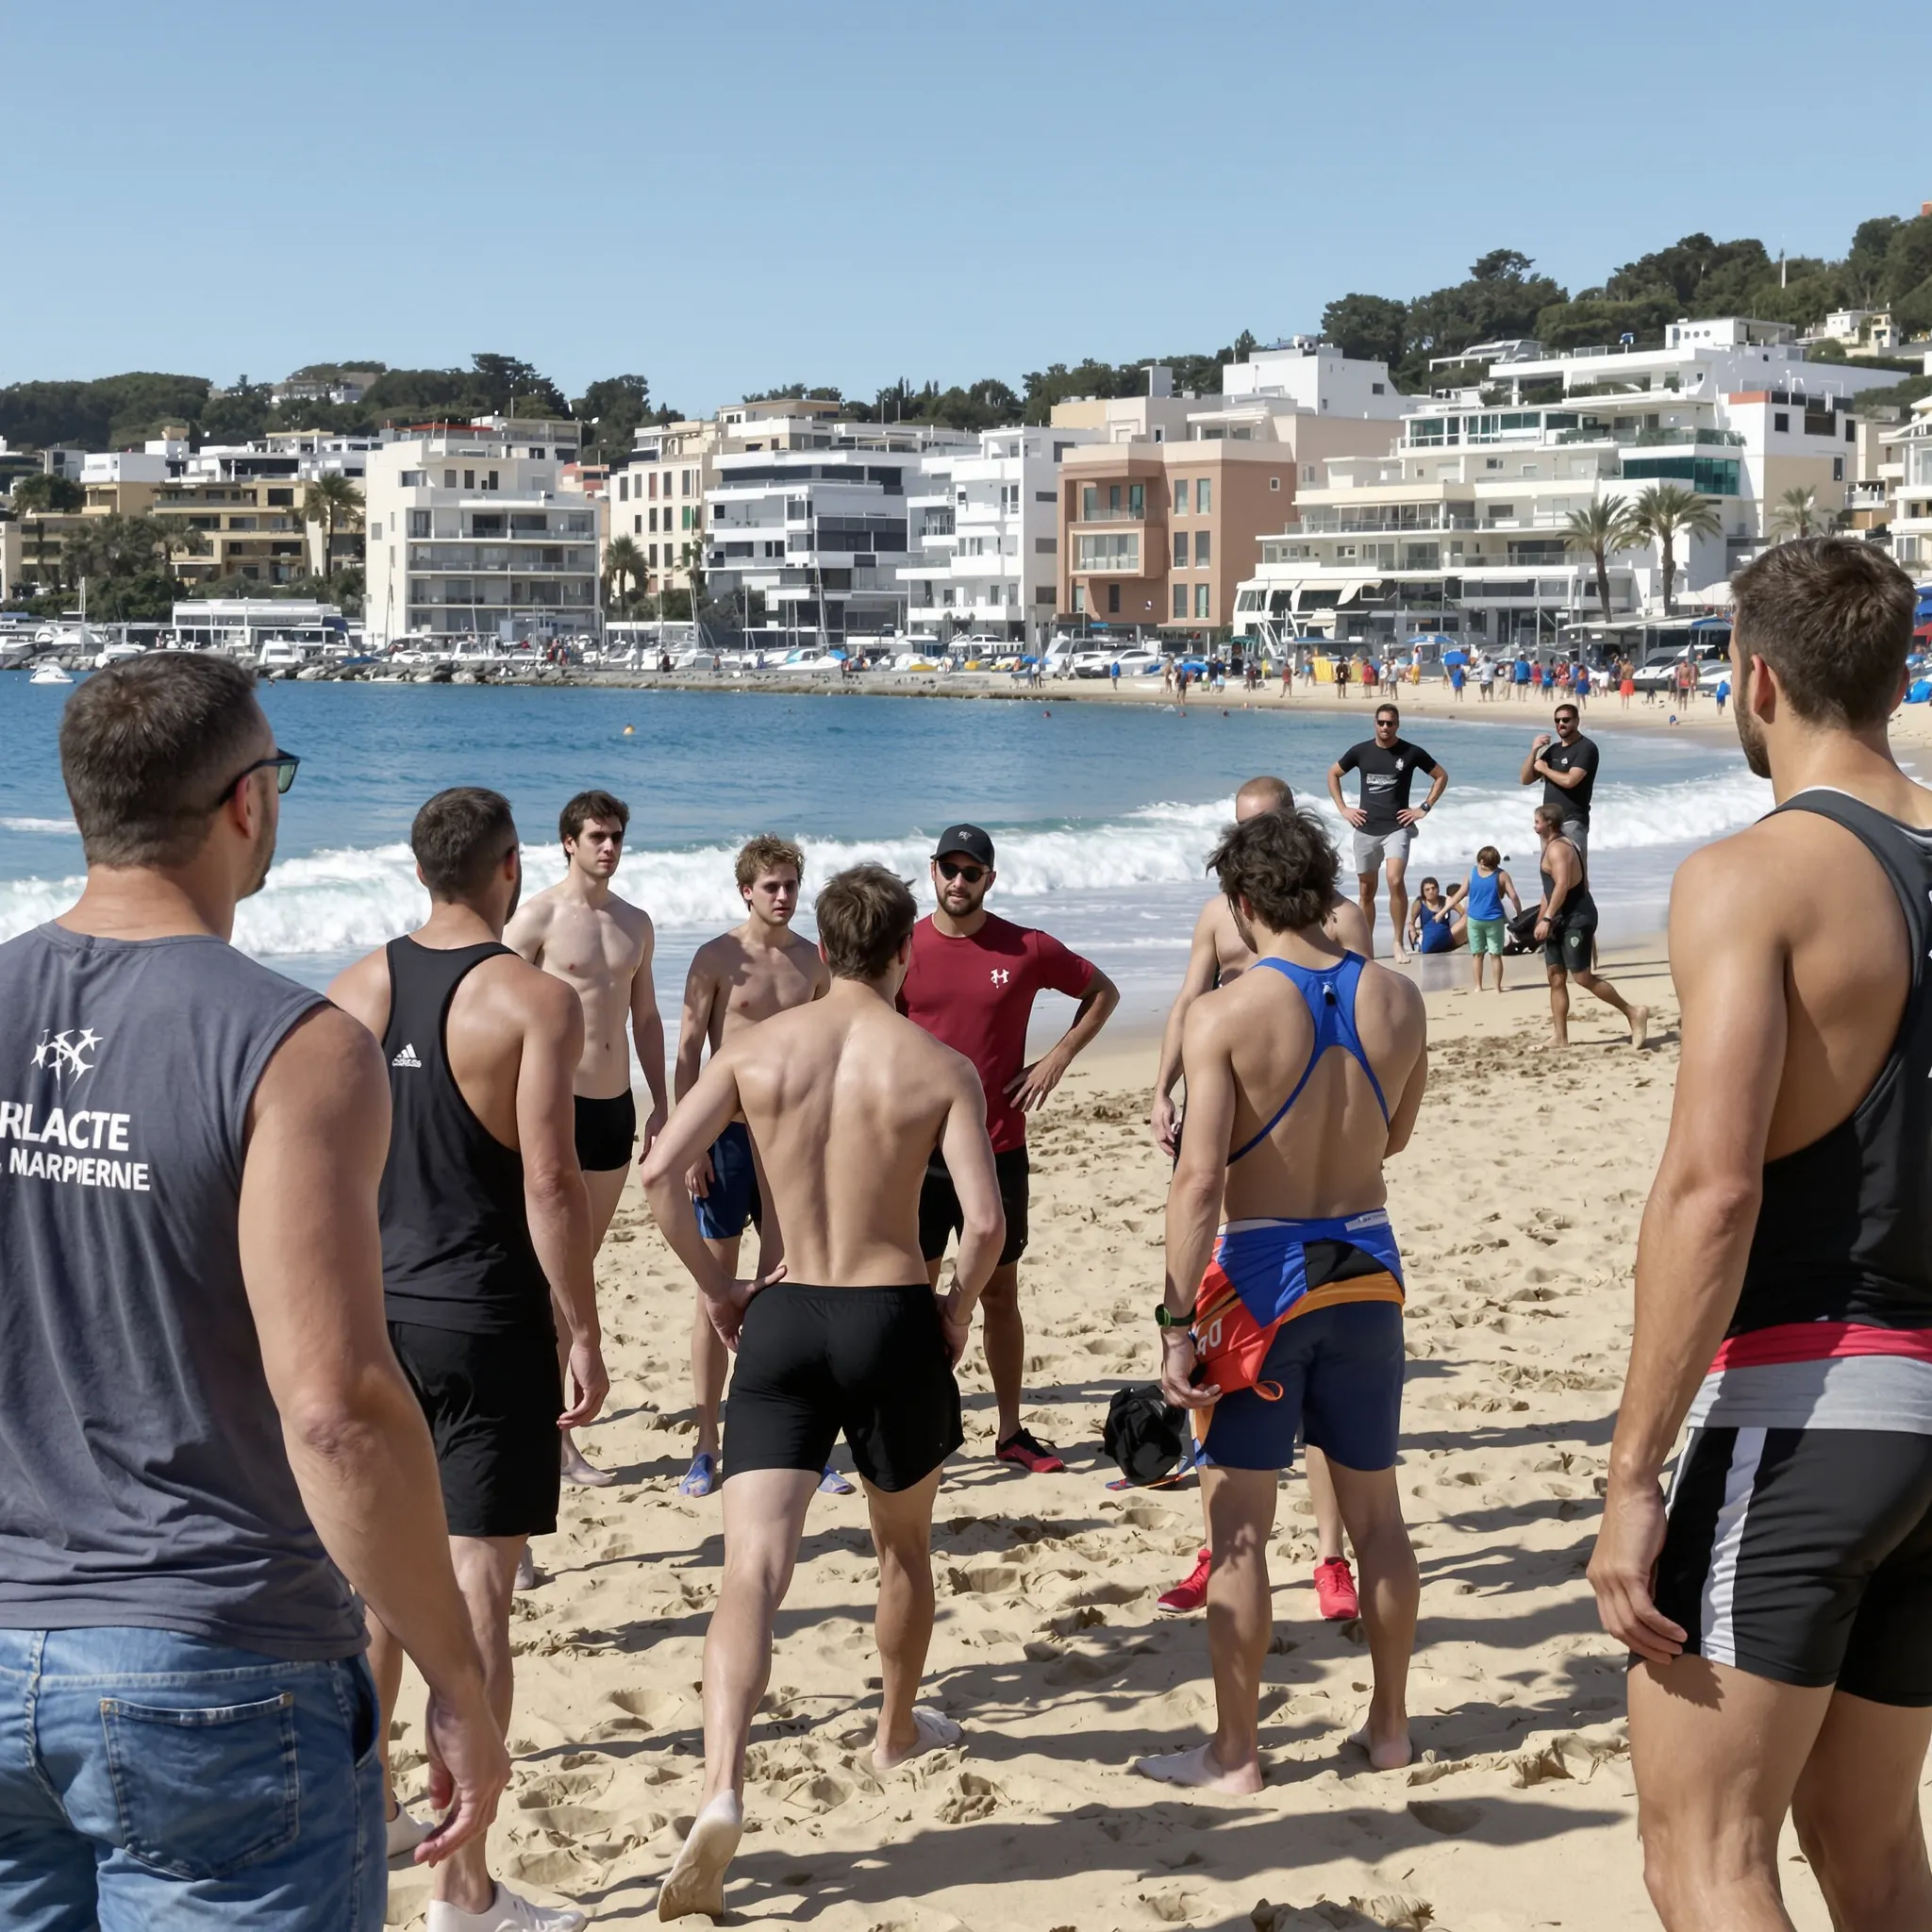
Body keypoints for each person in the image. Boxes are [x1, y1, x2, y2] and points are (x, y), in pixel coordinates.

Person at [0, 658, 506, 1929]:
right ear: (245, 805)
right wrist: (452, 1670)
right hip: (212, 1654)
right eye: (274, 774)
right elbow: (335, 1405)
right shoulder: (297, 1048)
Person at [1588, 540, 1932, 1931]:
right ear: (1898, 674)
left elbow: (1711, 1191)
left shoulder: (1755, 877)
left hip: (1812, 1403)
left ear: (1758, 681)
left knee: (1706, 1855)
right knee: (1869, 1845)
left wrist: (1631, 1472)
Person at [640, 866, 1003, 1922]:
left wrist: (718, 1288)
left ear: (824, 948)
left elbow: (662, 1169)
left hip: (787, 1311)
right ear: (901, 954)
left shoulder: (757, 1049)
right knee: (902, 1548)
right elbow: (980, 1225)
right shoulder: (935, 1065)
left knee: (750, 1567)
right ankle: (893, 1729)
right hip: (890, 1313)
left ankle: (720, 1783)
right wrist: (958, 1306)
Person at [331, 789, 607, 1932]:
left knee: (378, 1590)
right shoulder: (532, 998)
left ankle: (374, 1820)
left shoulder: (353, 987)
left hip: (371, 1311)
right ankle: (464, 1890)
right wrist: (580, 1321)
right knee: (480, 1595)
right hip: (485, 1316)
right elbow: (549, 1180)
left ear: (417, 870)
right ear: (506, 870)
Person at [1137, 808, 1428, 1792]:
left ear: (1243, 901)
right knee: (1377, 1514)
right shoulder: (1395, 997)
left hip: (1261, 1275)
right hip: (1367, 1259)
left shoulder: (1223, 1014)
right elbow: (1392, 1141)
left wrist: (1176, 1324)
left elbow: (1198, 1183)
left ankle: (1234, 1751)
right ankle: (1387, 1728)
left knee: (1239, 1528)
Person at [1150, 775, 1374, 1623]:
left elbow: (1353, 1035)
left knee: (1317, 1400)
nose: (1254, 835)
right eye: (1244, 826)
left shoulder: (1341, 919)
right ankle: (1219, 1547)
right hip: (1234, 1158)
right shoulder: (1220, 914)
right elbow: (1187, 1001)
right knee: (1226, 1364)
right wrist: (1164, 1086)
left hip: (1305, 1180)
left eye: (1267, 824)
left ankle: (1327, 1558)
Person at [900, 824, 1120, 1472]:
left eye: (972, 872)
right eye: (949, 869)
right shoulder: (901, 944)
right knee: (915, 1294)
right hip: (916, 1153)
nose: (958, 882)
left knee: (999, 1295)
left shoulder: (1025, 948)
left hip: (997, 1148)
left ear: (990, 879)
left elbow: (1101, 992)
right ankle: (921, 1424)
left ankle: (1009, 1429)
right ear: (932, 871)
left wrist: (1057, 1058)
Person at [506, 789, 667, 1489]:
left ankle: (559, 1434)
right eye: (598, 835)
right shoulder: (536, 916)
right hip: (553, 1109)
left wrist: (663, 1102)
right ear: (568, 842)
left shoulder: (635, 924)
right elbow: (492, 1006)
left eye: (617, 836)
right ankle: (545, 1438)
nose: (610, 846)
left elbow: (647, 1019)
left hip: (611, 1110)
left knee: (578, 1277)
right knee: (548, 1279)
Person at [670, 835, 833, 1499]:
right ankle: (707, 1442)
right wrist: (691, 1143)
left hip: (792, 1137)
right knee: (716, 1288)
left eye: (792, 884)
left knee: (789, 1287)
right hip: (727, 1137)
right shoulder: (715, 958)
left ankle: (802, 1444)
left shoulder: (812, 963)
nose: (784, 896)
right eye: (771, 886)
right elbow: (687, 1053)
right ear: (746, 890)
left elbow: (827, 1051)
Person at [1327, 702, 1449, 961]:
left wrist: (1424, 807)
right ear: (1375, 723)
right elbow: (1333, 774)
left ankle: (1397, 942)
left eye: (1390, 723)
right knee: (1365, 890)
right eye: (1381, 722)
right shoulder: (1361, 752)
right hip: (1365, 828)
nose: (1385, 727)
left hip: (1397, 827)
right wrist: (1344, 809)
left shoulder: (1411, 752)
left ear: (1397, 725)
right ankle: (1366, 947)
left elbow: (1441, 776)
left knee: (1394, 879)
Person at [1533, 802, 1647, 1051]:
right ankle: (1560, 1037)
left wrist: (1547, 918)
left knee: (1582, 977)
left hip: (1576, 917)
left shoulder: (1559, 849)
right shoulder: (1550, 846)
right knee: (1555, 975)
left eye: (1537, 822)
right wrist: (1541, 918)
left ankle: (1633, 1012)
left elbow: (1562, 885)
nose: (1534, 826)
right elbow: (1549, 889)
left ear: (1548, 825)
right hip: (1558, 919)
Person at [1519, 702, 1600, 857]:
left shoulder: (1586, 748)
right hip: (1548, 823)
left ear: (1576, 721)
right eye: (1557, 720)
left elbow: (1570, 781)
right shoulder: (1554, 750)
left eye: (1566, 720)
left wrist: (1546, 770)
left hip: (1572, 820)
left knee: (1572, 872)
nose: (1561, 724)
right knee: (1549, 872)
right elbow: (1525, 779)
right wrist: (1534, 750)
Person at [1445, 845, 1521, 993]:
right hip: (1494, 920)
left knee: (1477, 955)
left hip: (1474, 919)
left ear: (1480, 860)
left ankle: (1478, 987)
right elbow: (1514, 897)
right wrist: (1520, 915)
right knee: (1495, 955)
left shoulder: (1472, 873)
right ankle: (1497, 987)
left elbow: (1459, 894)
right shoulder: (1502, 874)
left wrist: (1443, 911)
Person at [1406, 876, 1463, 956]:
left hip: (1446, 935)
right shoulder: (1420, 903)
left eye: (1433, 888)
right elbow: (1412, 923)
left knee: (1468, 917)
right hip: (1428, 938)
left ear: (1438, 889)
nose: (1431, 891)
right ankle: (1418, 946)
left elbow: (1463, 913)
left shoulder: (1445, 900)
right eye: (1427, 890)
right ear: (1423, 892)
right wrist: (1413, 935)